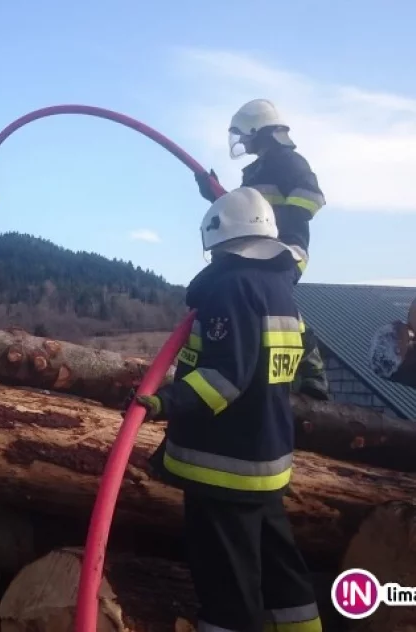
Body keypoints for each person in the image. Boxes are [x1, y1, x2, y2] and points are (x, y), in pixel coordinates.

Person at [136, 187, 323, 632]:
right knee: (281, 571)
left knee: (227, 582)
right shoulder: (278, 289)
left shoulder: (232, 288)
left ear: (218, 238)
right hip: (266, 460)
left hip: (224, 465)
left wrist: (165, 402)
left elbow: (225, 378)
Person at [195, 99, 329, 401]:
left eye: (245, 134)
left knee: (276, 302)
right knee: (255, 299)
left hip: (287, 248)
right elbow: (246, 212)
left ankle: (313, 374)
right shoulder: (255, 171)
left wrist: (282, 220)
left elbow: (312, 198)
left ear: (259, 131)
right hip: (258, 247)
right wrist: (215, 195)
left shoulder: (290, 162)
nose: (242, 141)